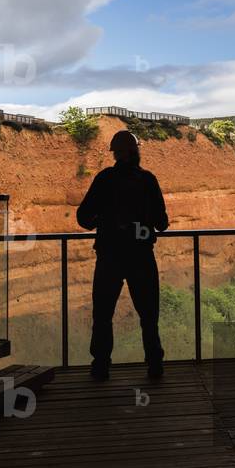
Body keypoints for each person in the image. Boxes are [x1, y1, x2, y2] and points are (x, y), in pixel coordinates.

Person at [76, 130, 168, 380]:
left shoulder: (105, 179)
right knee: (148, 315)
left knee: (103, 314)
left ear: (116, 154)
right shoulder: (148, 180)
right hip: (141, 256)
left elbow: (83, 217)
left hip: (110, 256)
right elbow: (162, 223)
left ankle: (101, 366)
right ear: (135, 152)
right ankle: (154, 365)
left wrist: (105, 222)